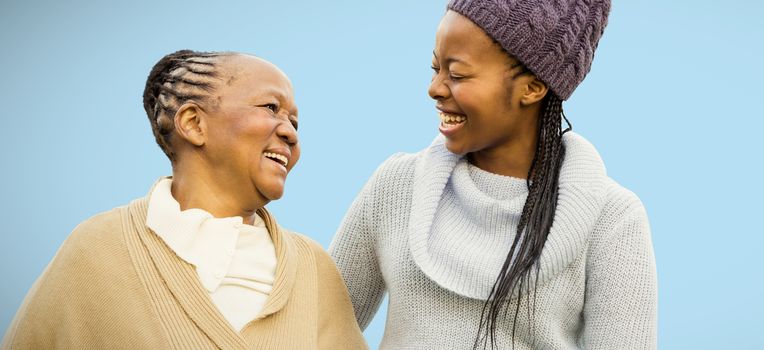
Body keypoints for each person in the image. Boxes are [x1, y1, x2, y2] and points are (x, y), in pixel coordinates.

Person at [329, 1, 657, 348]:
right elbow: (315, 327)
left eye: (457, 74)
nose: (435, 88)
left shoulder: (613, 218)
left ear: (532, 88)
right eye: (435, 68)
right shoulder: (396, 186)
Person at [3, 50, 367, 349]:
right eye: (270, 108)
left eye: (295, 122)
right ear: (194, 123)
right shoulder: (97, 251)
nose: (289, 132)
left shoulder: (313, 270)